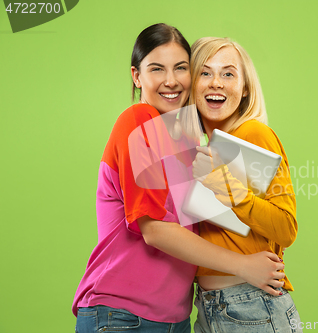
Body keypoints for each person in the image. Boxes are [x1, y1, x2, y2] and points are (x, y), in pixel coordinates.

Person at [72, 24, 285, 333]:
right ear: (136, 76)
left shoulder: (188, 143)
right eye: (157, 69)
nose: (170, 81)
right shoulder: (137, 121)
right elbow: (155, 230)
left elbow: (231, 220)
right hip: (122, 315)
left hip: (175, 319)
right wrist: (244, 266)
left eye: (181, 68)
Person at [190, 37, 302, 332]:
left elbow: (286, 228)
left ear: (245, 89)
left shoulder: (253, 133)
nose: (216, 82)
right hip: (209, 306)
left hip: (252, 306)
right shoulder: (197, 148)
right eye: (205, 72)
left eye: (228, 73)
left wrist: (219, 181)